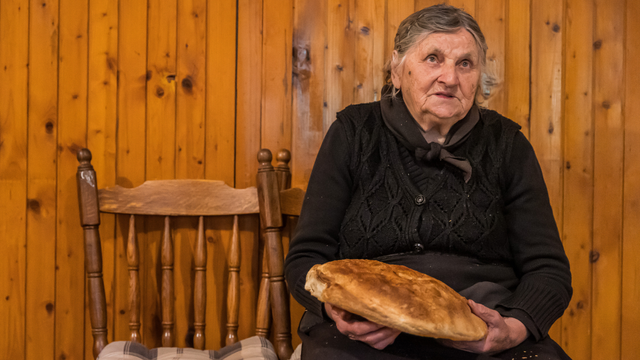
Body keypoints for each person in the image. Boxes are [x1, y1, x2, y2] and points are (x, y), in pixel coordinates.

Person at [284, 4, 572, 360]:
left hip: (478, 327)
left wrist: (512, 329)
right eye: (433, 58)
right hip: (367, 329)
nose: (450, 78)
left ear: (478, 76)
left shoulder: (506, 145)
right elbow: (305, 258)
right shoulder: (354, 133)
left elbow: (548, 270)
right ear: (397, 69)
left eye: (465, 63)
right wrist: (337, 310)